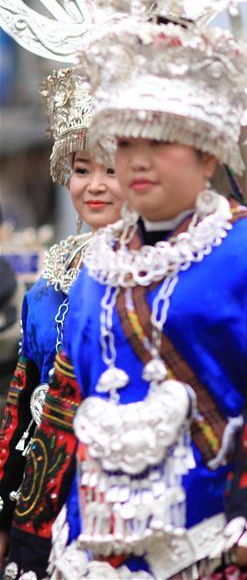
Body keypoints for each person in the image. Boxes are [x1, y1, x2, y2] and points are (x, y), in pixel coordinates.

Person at [2, 0, 247, 579]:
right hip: (96, 546)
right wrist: (30, 531)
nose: (137, 164)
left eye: (160, 143)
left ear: (208, 152)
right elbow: (63, 409)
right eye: (125, 145)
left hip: (221, 540)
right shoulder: (97, 267)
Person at [0, 69, 125, 567]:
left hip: (120, 492)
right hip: (40, 492)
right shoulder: (50, 281)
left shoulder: (160, 273)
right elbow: (22, 400)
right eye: (82, 168)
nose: (94, 186)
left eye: (111, 170)